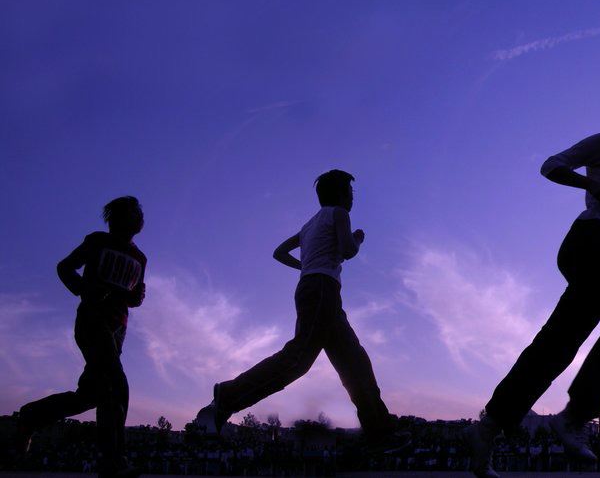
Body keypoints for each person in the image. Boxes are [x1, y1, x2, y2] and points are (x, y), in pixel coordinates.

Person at [464, 99, 600, 478]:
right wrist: (588, 181)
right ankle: (576, 415)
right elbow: (551, 166)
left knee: (559, 342)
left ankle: (488, 427)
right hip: (591, 241)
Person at [195, 170, 406, 450]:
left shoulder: (309, 225)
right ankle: (227, 395)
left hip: (315, 289)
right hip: (322, 290)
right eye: (351, 193)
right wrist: (358, 238)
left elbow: (279, 252)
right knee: (298, 359)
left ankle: (379, 432)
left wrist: (305, 267)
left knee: (354, 362)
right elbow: (348, 250)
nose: (353, 198)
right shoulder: (339, 214)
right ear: (342, 194)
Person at [16, 196, 147, 478]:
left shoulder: (140, 258)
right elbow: (64, 267)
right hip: (91, 321)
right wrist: (84, 290)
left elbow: (133, 297)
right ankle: (112, 462)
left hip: (117, 330)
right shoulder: (98, 241)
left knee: (92, 395)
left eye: (140, 212)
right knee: (117, 385)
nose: (139, 216)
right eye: (133, 211)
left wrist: (137, 297)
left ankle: (30, 417)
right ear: (117, 218)